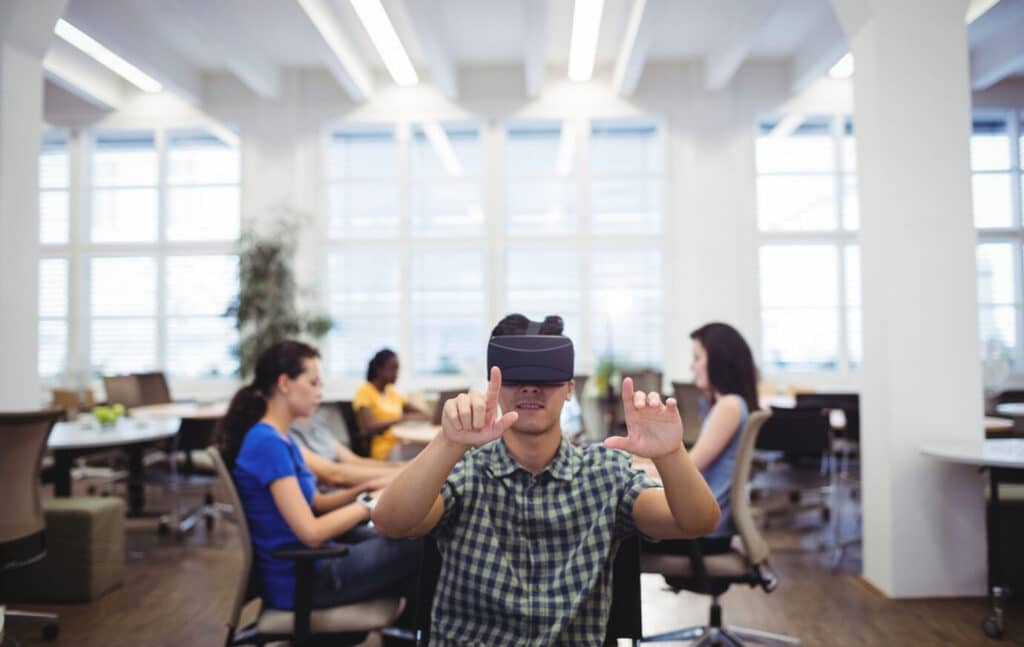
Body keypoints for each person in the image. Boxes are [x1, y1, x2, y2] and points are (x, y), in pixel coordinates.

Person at [372, 314, 721, 646]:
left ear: (569, 387)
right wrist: (449, 442)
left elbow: (696, 522)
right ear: (494, 384)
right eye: (515, 376)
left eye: (546, 376)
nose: (530, 387)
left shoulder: (605, 475)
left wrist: (671, 455)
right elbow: (391, 522)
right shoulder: (467, 471)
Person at [218, 340, 420, 612]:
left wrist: (366, 488)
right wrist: (369, 502)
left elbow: (315, 503)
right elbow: (312, 533)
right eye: (313, 383)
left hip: (314, 564)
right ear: (285, 383)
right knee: (423, 545)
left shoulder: (281, 438)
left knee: (412, 549)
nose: (319, 393)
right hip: (306, 579)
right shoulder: (267, 444)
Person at [685, 322, 759, 538]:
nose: (692, 367)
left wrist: (629, 468)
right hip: (710, 523)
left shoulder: (729, 406)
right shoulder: (729, 404)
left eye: (697, 358)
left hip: (707, 531)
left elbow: (689, 468)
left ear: (718, 360)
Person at [291, 413, 405, 489]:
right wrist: (403, 473)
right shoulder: (284, 437)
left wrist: (399, 466)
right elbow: (335, 475)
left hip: (343, 494)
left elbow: (354, 461)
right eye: (313, 383)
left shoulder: (315, 424)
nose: (319, 391)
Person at [354, 349, 430, 460]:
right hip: (384, 449)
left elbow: (422, 413)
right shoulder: (365, 391)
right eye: (393, 368)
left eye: (398, 369)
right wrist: (401, 419)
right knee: (429, 454)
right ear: (379, 369)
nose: (397, 373)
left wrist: (427, 416)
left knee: (430, 450)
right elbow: (369, 427)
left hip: (401, 443)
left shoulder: (392, 392)